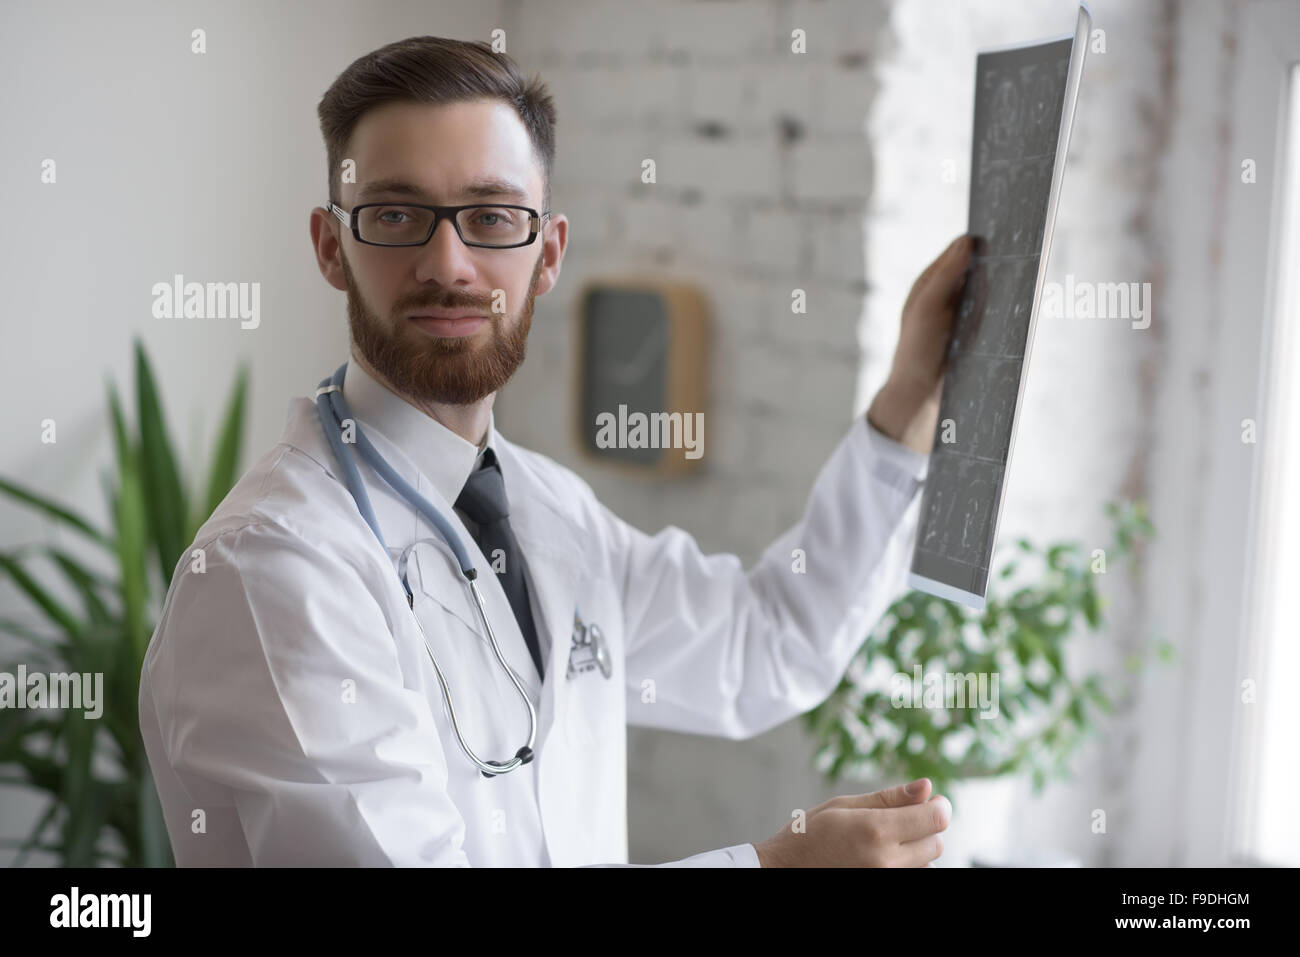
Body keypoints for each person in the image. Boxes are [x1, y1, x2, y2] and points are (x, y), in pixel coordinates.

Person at [139, 35, 971, 867]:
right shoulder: (274, 567)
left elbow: (769, 643)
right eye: (396, 215)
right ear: (331, 247)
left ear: (547, 253)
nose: (448, 264)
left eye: (492, 216)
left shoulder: (548, 509)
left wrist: (909, 397)